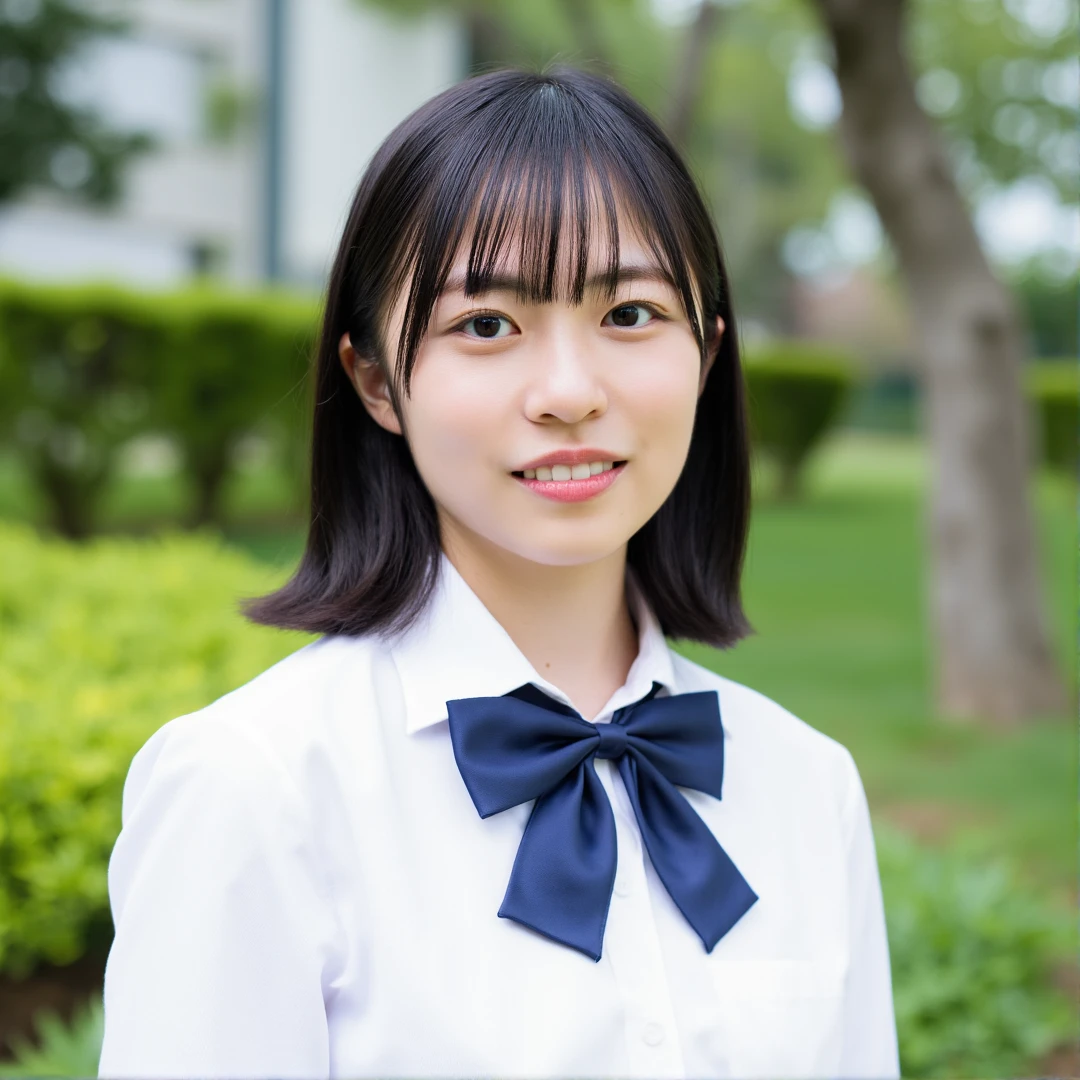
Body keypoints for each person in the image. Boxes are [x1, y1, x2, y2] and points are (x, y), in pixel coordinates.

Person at [97, 66, 900, 1080]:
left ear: (706, 354)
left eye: (631, 314)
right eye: (485, 326)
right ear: (378, 382)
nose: (569, 391)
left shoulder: (805, 784)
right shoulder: (257, 788)